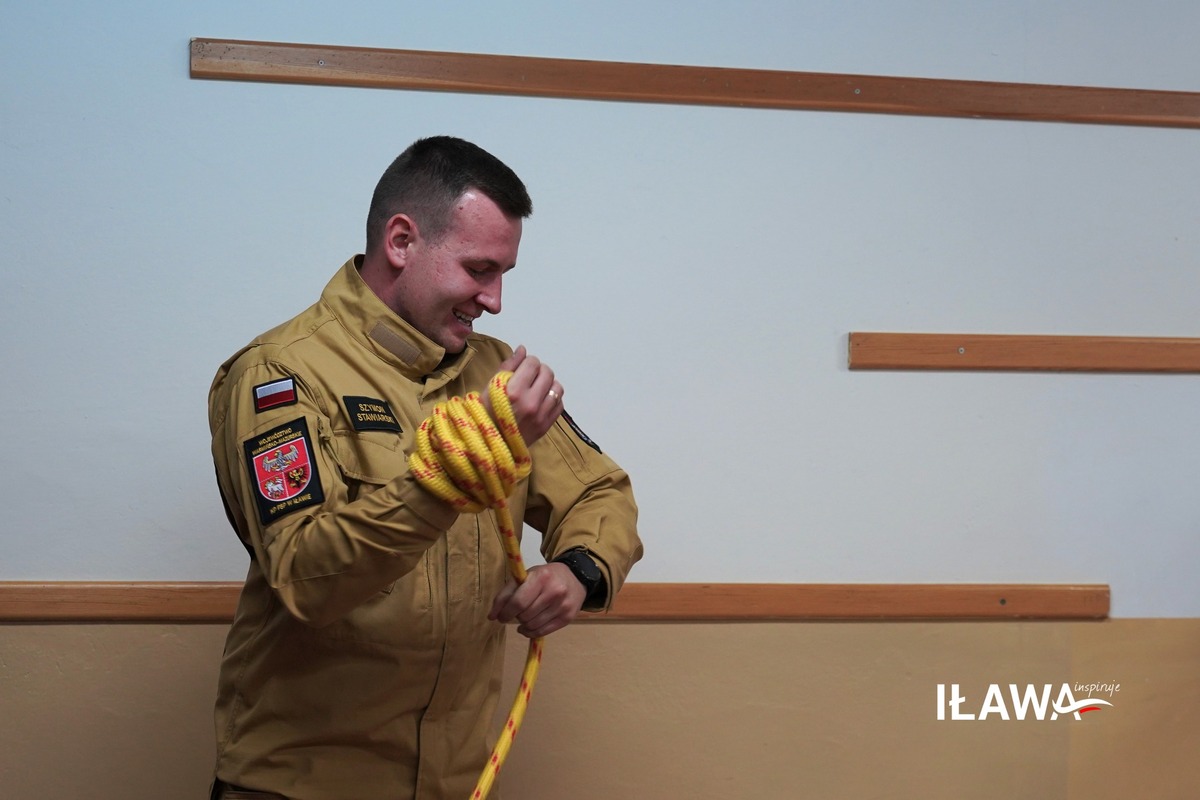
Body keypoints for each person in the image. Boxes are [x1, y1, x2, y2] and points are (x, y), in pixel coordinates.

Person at [207, 136, 643, 800]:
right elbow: (303, 575)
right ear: (402, 241)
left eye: (504, 273)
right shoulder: (280, 375)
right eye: (479, 269)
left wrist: (578, 572)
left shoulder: (493, 372)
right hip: (301, 787)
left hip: (455, 782)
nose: (494, 300)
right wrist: (454, 479)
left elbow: (598, 490)